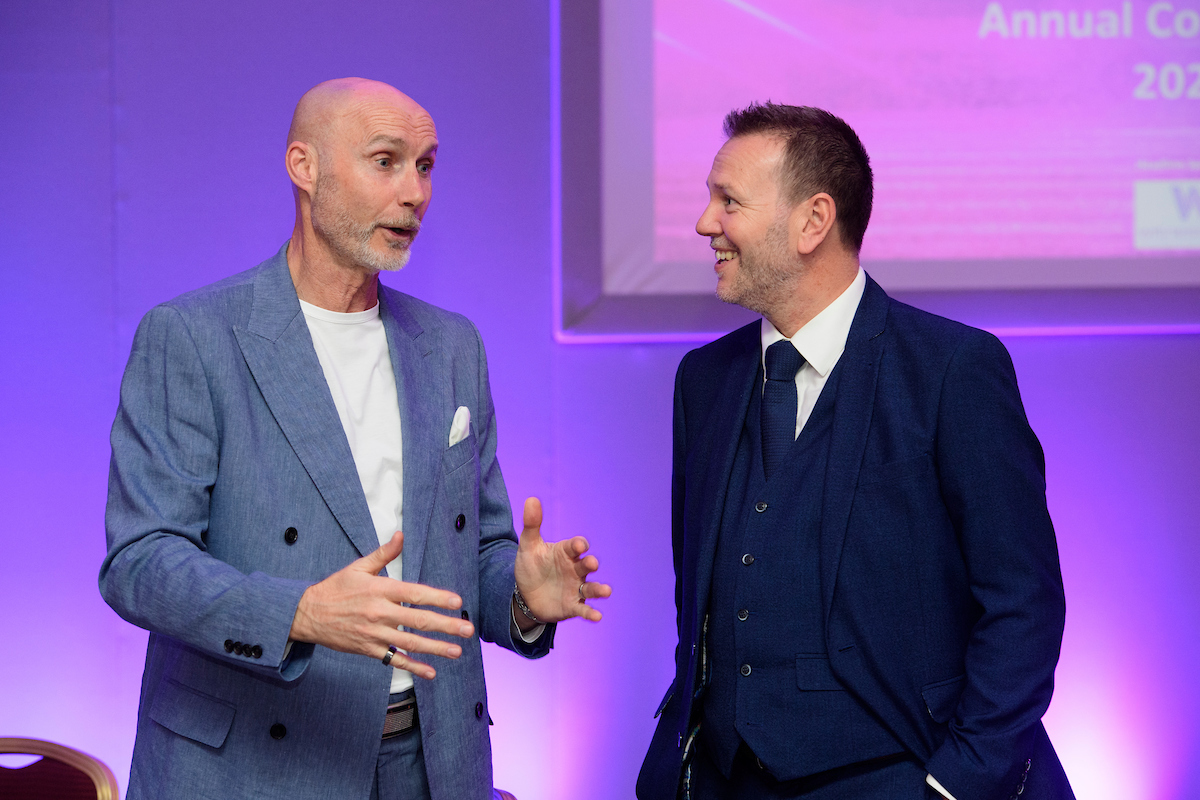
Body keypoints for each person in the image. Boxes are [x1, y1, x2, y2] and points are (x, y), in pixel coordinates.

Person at [100, 77, 610, 800]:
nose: (415, 193)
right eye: (386, 161)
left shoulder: (451, 346)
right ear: (303, 166)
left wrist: (522, 597)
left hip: (428, 762)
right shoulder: (193, 337)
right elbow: (140, 561)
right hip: (254, 764)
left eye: (425, 166)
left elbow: (474, 554)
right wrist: (299, 612)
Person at [637, 103, 1074, 800]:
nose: (704, 223)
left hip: (902, 774)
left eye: (729, 201)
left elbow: (1023, 604)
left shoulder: (953, 370)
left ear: (813, 221)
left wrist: (957, 783)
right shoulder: (703, 381)